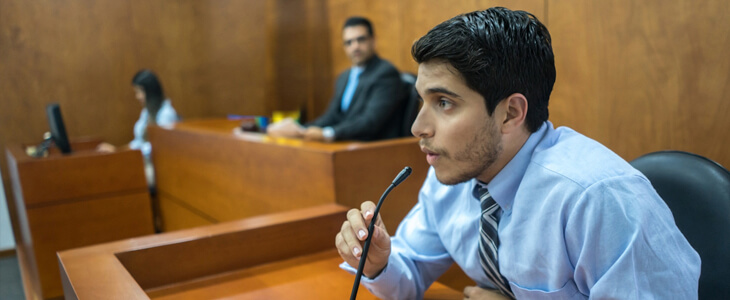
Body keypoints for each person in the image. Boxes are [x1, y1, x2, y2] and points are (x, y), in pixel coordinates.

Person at [335, 7, 700, 300]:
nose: (417, 127)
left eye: (444, 102)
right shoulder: (454, 174)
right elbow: (409, 274)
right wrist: (378, 263)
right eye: (423, 101)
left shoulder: (600, 199)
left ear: (510, 113)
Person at [266, 16, 408, 142]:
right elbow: (331, 117)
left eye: (361, 39)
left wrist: (328, 134)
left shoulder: (386, 73)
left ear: (373, 40)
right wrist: (298, 129)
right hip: (346, 145)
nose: (355, 46)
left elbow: (370, 122)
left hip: (373, 149)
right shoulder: (343, 77)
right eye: (349, 42)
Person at [98, 69, 179, 186]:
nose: (137, 96)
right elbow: (138, 142)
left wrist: (120, 153)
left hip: (160, 168)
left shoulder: (166, 114)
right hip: (144, 164)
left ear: (150, 91)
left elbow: (157, 148)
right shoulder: (146, 112)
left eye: (139, 91)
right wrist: (117, 151)